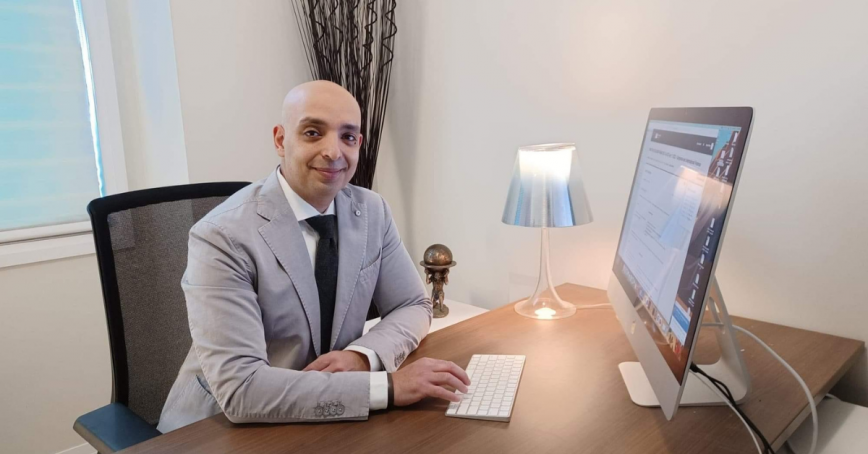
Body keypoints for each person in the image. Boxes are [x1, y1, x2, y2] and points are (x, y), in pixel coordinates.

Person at [157, 80, 470, 433]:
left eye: (348, 137)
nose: (333, 151)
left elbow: (413, 305)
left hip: (329, 418)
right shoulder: (221, 236)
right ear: (280, 139)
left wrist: (362, 357)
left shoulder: (372, 211)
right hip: (219, 429)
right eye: (312, 132)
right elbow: (242, 389)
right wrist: (389, 386)